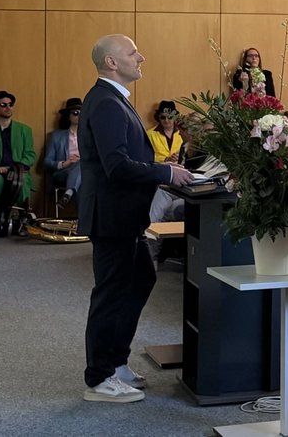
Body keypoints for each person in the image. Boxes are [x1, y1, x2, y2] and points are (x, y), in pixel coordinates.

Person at [79, 34, 195, 403]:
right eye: (132, 53)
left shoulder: (113, 100)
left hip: (126, 216)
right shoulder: (107, 103)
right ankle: (99, 378)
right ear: (112, 62)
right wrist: (164, 174)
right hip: (112, 217)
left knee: (142, 277)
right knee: (111, 295)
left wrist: (158, 166)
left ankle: (116, 361)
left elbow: (126, 158)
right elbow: (115, 165)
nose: (141, 57)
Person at [0, 91, 36, 237]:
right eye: (3, 105)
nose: (8, 108)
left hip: (16, 170)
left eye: (10, 105)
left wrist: (15, 167)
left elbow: (30, 155)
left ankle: (22, 220)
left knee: (21, 179)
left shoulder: (24, 130)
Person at [45, 97, 83, 207]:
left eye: (82, 113)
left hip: (86, 173)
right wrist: (65, 163)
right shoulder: (57, 136)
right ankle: (85, 221)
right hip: (63, 172)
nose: (79, 116)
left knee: (84, 173)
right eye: (75, 113)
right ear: (68, 117)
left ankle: (69, 193)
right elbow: (46, 162)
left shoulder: (90, 136)